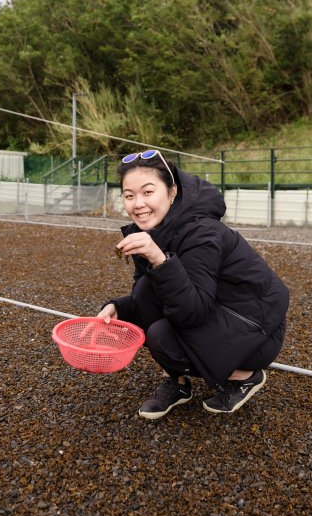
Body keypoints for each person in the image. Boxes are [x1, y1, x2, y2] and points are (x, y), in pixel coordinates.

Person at [98, 149, 289, 420]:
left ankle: (245, 376)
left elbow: (194, 311)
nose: (137, 203)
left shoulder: (202, 232)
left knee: (161, 337)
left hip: (254, 326)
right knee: (143, 295)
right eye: (129, 196)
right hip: (216, 310)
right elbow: (148, 292)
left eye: (148, 192)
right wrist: (120, 308)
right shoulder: (149, 231)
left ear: (172, 191)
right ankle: (177, 383)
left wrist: (158, 258)